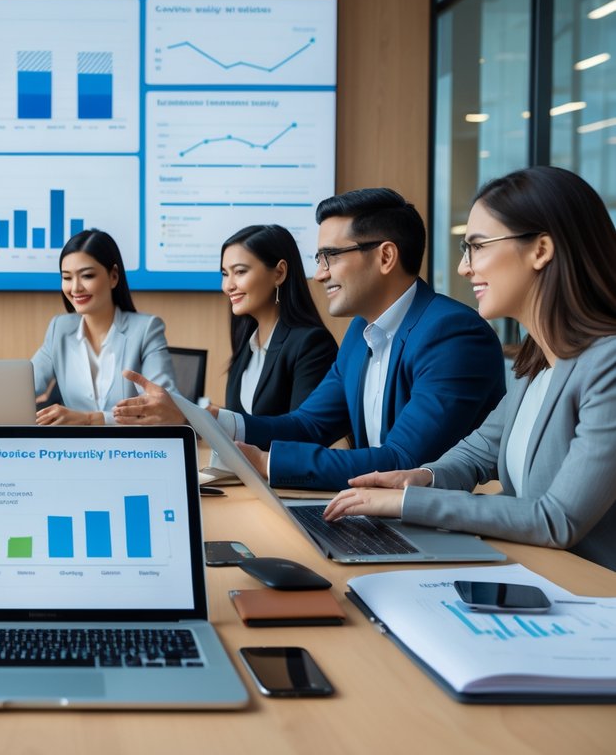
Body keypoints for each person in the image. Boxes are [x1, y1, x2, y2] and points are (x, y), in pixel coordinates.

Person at [115, 188, 506, 491]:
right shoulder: (360, 332)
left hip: (449, 534)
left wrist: (268, 464)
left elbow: (402, 460)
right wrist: (197, 416)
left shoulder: (453, 333)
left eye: (329, 257)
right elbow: (306, 425)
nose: (319, 274)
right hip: (385, 517)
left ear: (386, 257)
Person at [324, 167, 616, 570]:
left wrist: (410, 503)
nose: (465, 268)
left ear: (541, 249)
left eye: (477, 247)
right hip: (538, 575)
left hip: (594, 598)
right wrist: (418, 478)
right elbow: (480, 452)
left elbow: (556, 519)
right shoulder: (533, 362)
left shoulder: (608, 365)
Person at [33, 229, 176, 425]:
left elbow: (163, 409)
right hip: (75, 452)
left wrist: (91, 419)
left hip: (134, 451)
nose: (75, 288)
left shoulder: (146, 329)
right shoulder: (59, 329)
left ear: (113, 276)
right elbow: (23, 388)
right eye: (67, 278)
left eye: (87, 276)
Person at [221, 224, 337, 416]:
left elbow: (303, 433)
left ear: (279, 273)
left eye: (240, 272)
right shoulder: (246, 346)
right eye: (225, 274)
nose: (228, 286)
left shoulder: (311, 344)